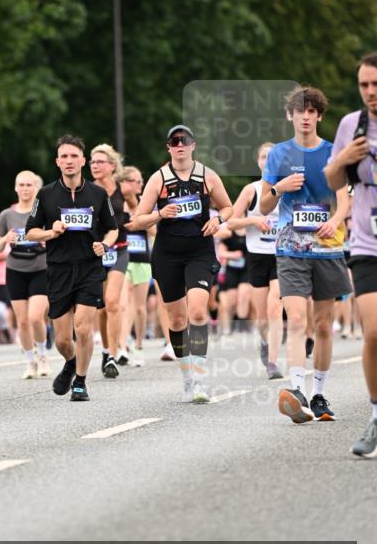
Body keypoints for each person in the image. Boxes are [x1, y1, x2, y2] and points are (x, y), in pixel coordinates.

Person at [260, 85, 351, 424]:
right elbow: (265, 204)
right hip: (289, 247)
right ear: (290, 115)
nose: (306, 117)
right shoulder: (278, 155)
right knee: (297, 319)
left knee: (324, 326)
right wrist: (278, 188)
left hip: (327, 248)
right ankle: (296, 389)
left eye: (312, 111)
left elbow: (345, 198)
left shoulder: (334, 153)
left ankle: (318, 393)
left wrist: (336, 220)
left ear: (319, 116)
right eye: (301, 111)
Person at [132, 125, 233, 403]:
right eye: (174, 141)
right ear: (169, 148)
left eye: (184, 140)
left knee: (198, 312)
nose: (179, 145)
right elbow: (138, 219)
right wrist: (159, 214)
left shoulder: (207, 176)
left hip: (199, 251)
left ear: (193, 145)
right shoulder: (159, 179)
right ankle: (187, 375)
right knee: (176, 319)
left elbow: (228, 207)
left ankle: (199, 379)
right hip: (167, 254)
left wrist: (218, 220)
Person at [25, 135, 118, 402]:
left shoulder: (98, 194)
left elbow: (112, 229)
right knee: (63, 340)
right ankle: (71, 361)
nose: (69, 161)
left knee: (84, 328)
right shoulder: (46, 195)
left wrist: (105, 245)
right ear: (57, 162)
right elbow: (30, 232)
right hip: (58, 268)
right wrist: (50, 233)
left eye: (73, 156)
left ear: (83, 161)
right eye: (64, 156)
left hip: (89, 267)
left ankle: (81, 381)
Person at [325, 52, 377, 455]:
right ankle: (376, 417)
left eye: (376, 84)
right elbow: (332, 178)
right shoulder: (351, 125)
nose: (371, 92)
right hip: (365, 242)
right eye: (364, 85)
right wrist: (343, 158)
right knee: (374, 332)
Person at [225, 142, 283, 380]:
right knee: (261, 317)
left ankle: (273, 362)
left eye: (272, 157)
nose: (267, 160)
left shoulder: (286, 189)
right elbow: (230, 222)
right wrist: (253, 221)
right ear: (258, 162)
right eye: (263, 157)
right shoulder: (251, 190)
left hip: (282, 255)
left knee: (275, 307)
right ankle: (263, 340)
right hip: (257, 255)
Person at [0, 171, 50, 379]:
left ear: (36, 188)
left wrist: (46, 239)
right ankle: (30, 361)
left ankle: (43, 356)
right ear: (16, 188)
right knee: (22, 321)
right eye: (21, 185)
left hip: (40, 267)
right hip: (15, 268)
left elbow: (56, 236)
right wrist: (5, 239)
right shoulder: (6, 215)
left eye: (29, 185)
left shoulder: (43, 212)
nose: (25, 189)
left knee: (35, 317)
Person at [90, 143, 132, 378]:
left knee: (113, 302)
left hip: (119, 249)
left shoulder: (122, 189)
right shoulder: (86, 190)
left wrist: (136, 220)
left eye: (100, 162)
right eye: (92, 162)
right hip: (95, 252)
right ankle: (106, 350)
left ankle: (114, 355)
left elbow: (138, 210)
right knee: (102, 308)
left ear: (112, 166)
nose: (95, 166)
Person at [119, 166, 150, 367]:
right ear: (125, 183)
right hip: (123, 258)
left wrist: (138, 223)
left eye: (141, 181)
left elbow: (154, 229)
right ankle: (122, 347)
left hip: (142, 259)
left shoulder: (144, 204)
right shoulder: (117, 204)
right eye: (137, 181)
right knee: (123, 302)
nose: (141, 184)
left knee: (139, 308)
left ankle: (138, 345)